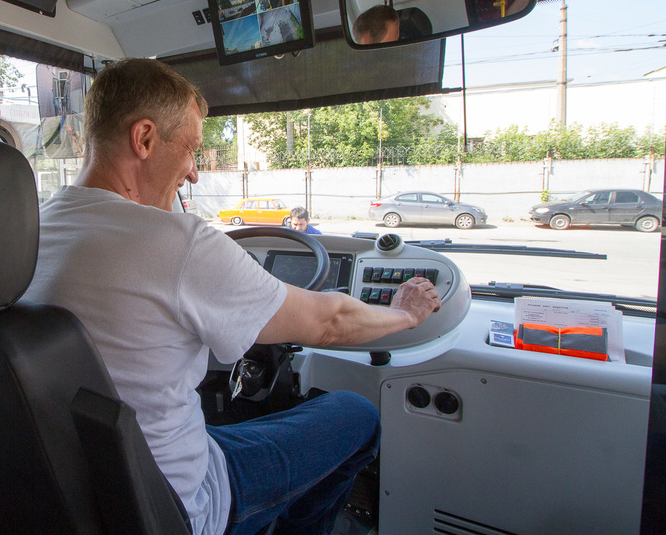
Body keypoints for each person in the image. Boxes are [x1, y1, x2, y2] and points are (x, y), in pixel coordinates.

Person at [23, 58, 441, 535]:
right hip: (184, 504)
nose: (195, 172)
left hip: (85, 494)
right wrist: (403, 313)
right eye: (191, 149)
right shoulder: (177, 241)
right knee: (357, 415)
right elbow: (331, 322)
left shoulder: (32, 230)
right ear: (143, 139)